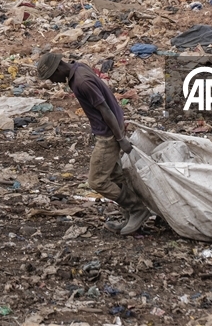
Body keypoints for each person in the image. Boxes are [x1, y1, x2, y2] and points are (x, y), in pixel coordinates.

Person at [37, 52, 150, 235]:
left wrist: (120, 139)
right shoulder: (78, 68)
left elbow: (104, 109)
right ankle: (130, 216)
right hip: (108, 131)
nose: (52, 82)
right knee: (115, 177)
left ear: (58, 68)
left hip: (108, 136)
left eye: (51, 77)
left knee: (97, 181)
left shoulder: (82, 82)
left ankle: (137, 209)